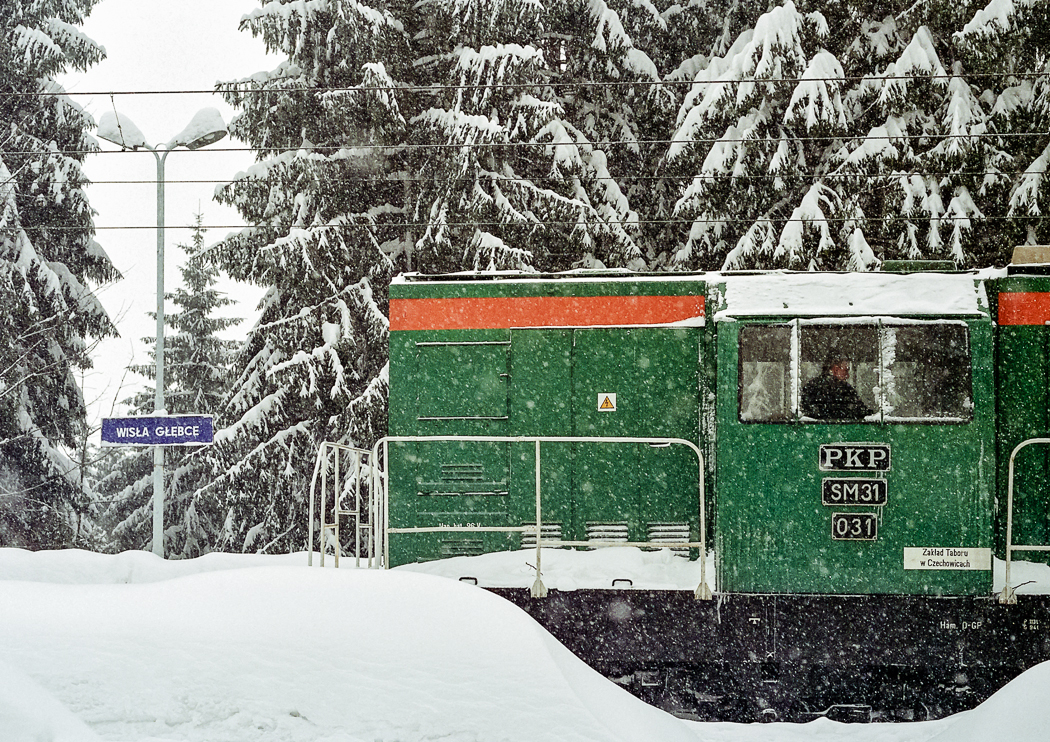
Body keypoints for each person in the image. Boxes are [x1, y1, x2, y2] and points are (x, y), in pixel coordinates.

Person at [801, 355, 873, 420]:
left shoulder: (812, 386)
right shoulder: (846, 390)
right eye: (845, 371)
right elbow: (860, 411)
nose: (847, 376)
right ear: (835, 369)